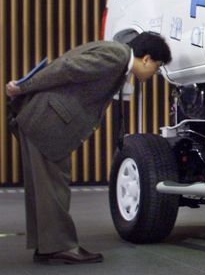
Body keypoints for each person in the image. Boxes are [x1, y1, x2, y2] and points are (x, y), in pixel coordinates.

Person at [5, 32, 171, 264]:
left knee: (43, 188)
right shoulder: (115, 57)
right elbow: (66, 69)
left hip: (44, 119)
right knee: (53, 186)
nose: (155, 73)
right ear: (146, 58)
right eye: (158, 66)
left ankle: (47, 247)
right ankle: (60, 247)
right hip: (47, 121)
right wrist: (24, 87)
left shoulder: (116, 57)